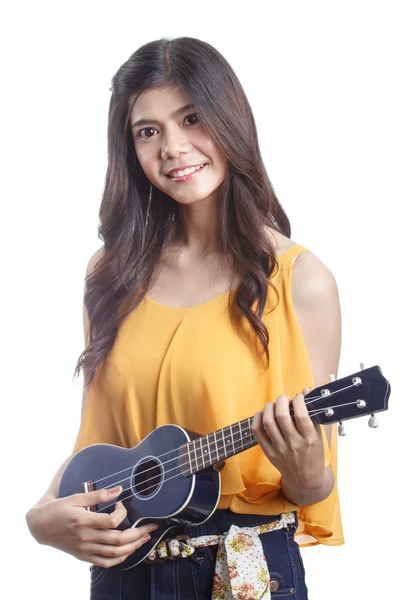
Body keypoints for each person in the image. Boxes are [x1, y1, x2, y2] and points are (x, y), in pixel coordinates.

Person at [25, 36, 344, 599]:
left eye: (192, 118)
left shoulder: (300, 280)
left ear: (230, 120)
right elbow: (99, 443)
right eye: (148, 131)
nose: (173, 148)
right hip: (124, 568)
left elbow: (313, 482)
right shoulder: (110, 275)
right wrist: (42, 517)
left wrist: (303, 465)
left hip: (244, 567)